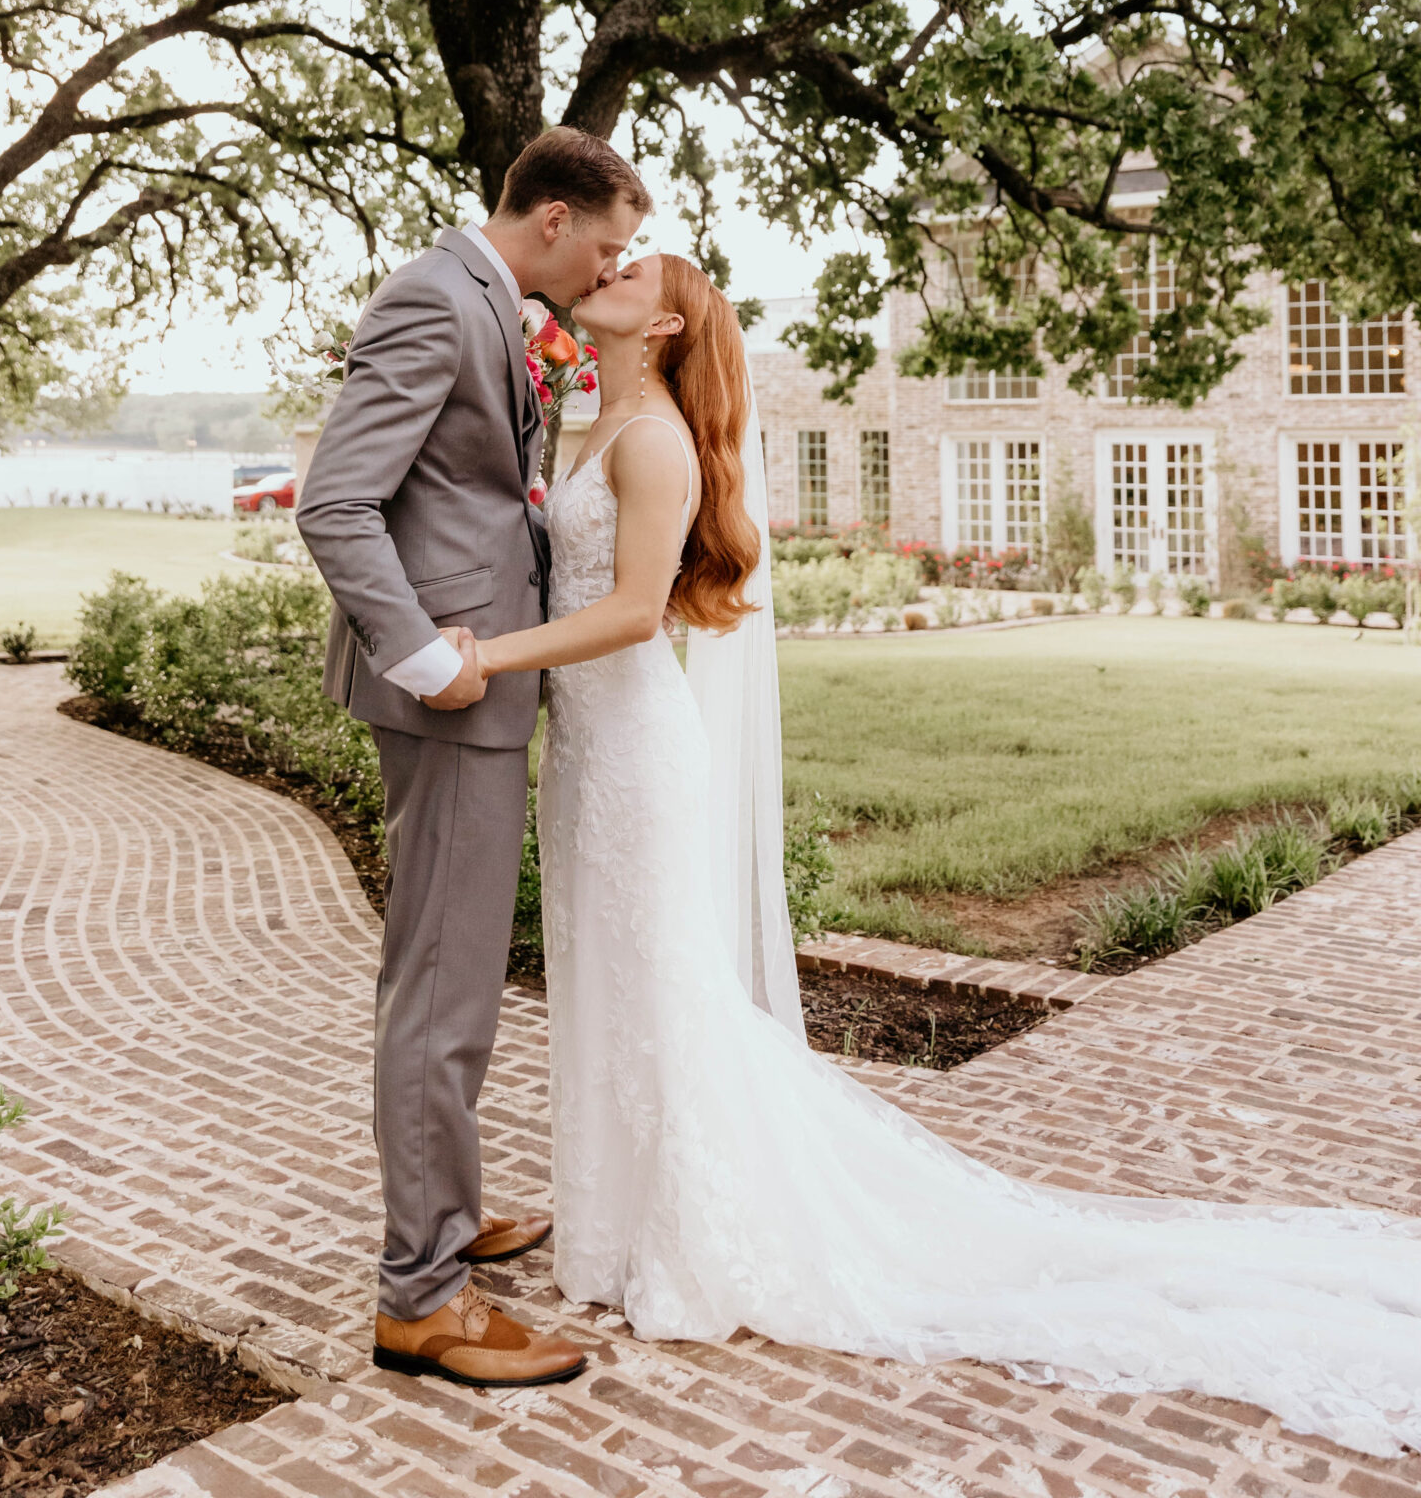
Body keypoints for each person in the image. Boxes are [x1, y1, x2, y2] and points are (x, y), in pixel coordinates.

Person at [458, 251, 1421, 1457]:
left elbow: (635, 611)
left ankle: (693, 1237)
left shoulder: (650, 443)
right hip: (585, 754)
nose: (604, 270)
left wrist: (487, 660)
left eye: (632, 269)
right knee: (605, 987)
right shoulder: (588, 422)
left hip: (638, 749)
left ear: (660, 322)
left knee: (661, 987)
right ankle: (611, 1226)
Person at [297, 127, 651, 1390]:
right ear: (551, 221)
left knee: (455, 986)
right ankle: (423, 1298)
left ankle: (448, 1210)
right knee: (441, 994)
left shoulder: (494, 302)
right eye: (606, 244)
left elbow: (481, 491)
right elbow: (334, 500)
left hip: (486, 680)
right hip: (449, 693)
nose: (615, 266)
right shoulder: (431, 301)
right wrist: (421, 653)